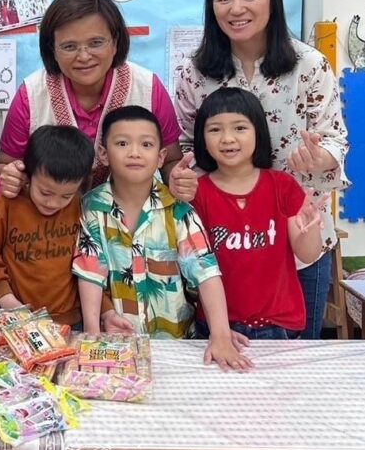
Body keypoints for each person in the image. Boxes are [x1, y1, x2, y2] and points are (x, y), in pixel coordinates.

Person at [172, 0, 348, 339]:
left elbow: (336, 139)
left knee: (296, 358)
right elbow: (184, 145)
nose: (237, 8)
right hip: (227, 242)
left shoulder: (309, 64)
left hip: (299, 235)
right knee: (220, 354)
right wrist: (180, 177)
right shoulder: (195, 71)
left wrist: (319, 158)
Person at [72, 106, 252, 371]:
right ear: (103, 153)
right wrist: (91, 333)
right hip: (116, 344)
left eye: (146, 144)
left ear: (160, 156)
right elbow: (89, 272)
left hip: (177, 346)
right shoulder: (91, 207)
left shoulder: (178, 210)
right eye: (122, 143)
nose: (134, 152)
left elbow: (205, 271)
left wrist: (221, 334)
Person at [0, 0, 181, 197]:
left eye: (96, 43)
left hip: (129, 219)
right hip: (52, 222)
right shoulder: (31, 95)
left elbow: (171, 160)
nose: (83, 56)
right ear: (52, 49)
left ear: (115, 42)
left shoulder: (148, 88)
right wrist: (11, 177)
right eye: (69, 46)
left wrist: (176, 178)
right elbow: (3, 166)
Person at [190, 88, 323, 340]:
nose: (227, 138)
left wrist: (310, 229)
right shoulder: (198, 194)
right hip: (219, 327)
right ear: (202, 139)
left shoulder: (282, 185)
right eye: (215, 129)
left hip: (279, 324)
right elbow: (194, 267)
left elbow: (308, 253)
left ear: (258, 132)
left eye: (240, 128)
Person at [0, 125, 94, 327]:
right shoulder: (8, 204)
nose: (53, 203)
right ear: (28, 174)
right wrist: (5, 298)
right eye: (45, 193)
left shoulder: (80, 207)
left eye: (66, 196)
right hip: (16, 317)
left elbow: (90, 263)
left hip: (69, 321)